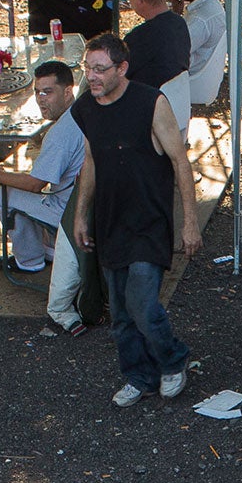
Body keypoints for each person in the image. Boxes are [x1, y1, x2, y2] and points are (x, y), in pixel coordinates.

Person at [70, 31, 202, 408]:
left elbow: (180, 160)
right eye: (87, 69)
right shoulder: (86, 108)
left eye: (99, 69)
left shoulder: (151, 103)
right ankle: (137, 376)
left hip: (148, 221)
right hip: (111, 221)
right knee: (122, 314)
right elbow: (90, 160)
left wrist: (188, 221)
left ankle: (174, 359)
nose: (91, 76)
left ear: (121, 68)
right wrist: (82, 215)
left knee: (142, 305)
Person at [0, 61, 92, 335]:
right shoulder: (84, 109)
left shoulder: (60, 133)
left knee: (6, 193)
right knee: (20, 185)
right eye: (37, 92)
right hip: (83, 197)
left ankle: (29, 260)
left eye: (49, 92)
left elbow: (36, 185)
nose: (41, 100)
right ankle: (40, 250)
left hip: (69, 208)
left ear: (68, 91)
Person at [122, 0, 192, 131]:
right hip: (177, 109)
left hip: (147, 117)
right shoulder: (180, 24)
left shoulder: (138, 38)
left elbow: (116, 76)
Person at [171, 0, 227, 110]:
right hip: (200, 70)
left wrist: (174, 16)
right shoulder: (210, 5)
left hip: (192, 76)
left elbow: (175, 50)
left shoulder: (200, 19)